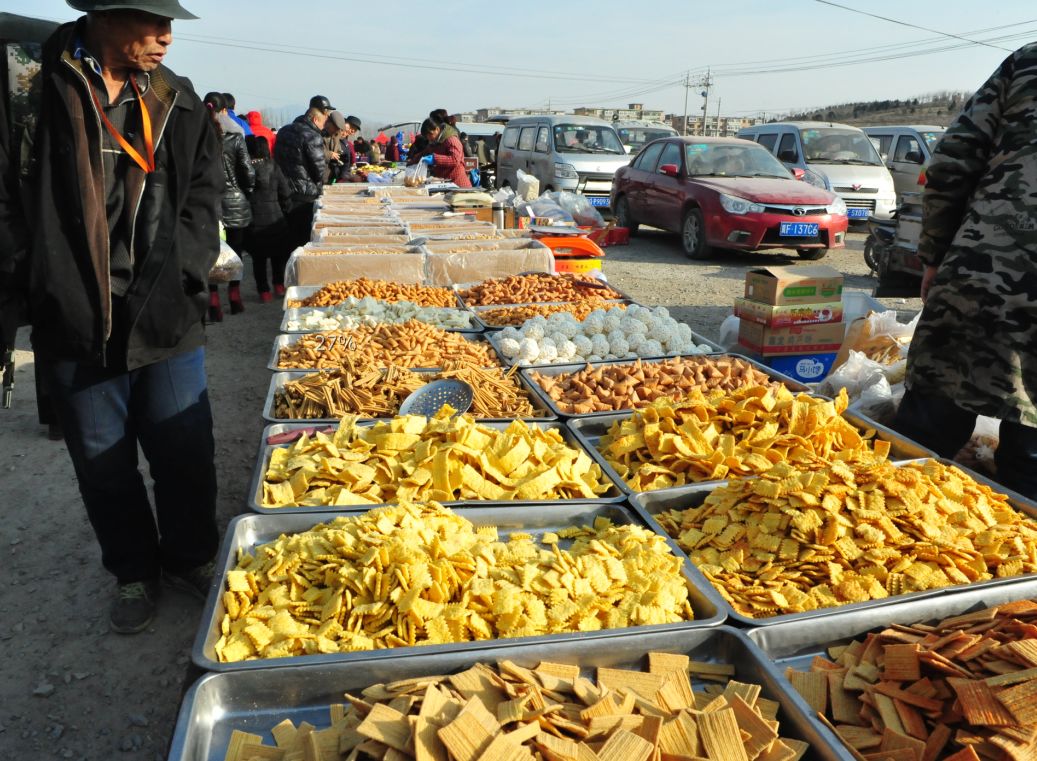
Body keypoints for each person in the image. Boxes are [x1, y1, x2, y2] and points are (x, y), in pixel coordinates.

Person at [0, 0, 223, 634]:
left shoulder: (176, 97)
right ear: (104, 15)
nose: (166, 37)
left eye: (170, 23)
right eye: (153, 21)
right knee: (102, 462)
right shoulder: (30, 87)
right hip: (75, 313)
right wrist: (38, 278)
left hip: (163, 308)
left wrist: (186, 269)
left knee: (185, 449)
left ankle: (190, 556)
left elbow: (203, 191)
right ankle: (133, 571)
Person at [891, 42, 1037, 501]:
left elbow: (953, 157)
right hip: (986, 274)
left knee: (916, 456)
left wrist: (935, 255)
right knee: (1030, 480)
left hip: (979, 274)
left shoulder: (1028, 61)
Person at [203, 91, 254, 320]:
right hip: (235, 201)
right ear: (225, 110)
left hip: (208, 202)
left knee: (211, 252)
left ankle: (213, 300)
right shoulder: (236, 136)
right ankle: (234, 296)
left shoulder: (199, 134)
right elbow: (247, 171)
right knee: (236, 250)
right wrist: (246, 191)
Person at [274, 97, 330, 248]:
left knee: (286, 238)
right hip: (305, 195)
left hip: (283, 191)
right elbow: (319, 171)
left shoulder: (284, 131)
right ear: (315, 119)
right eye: (323, 121)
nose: (323, 126)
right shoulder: (312, 136)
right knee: (302, 240)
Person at [245, 135, 291, 301]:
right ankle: (279, 285)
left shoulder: (246, 169)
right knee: (278, 256)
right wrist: (286, 210)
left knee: (259, 260)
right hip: (275, 218)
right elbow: (285, 192)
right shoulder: (274, 167)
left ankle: (263, 291)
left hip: (254, 220)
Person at [415, 118, 471, 188]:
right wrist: (413, 161)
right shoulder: (435, 142)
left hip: (457, 184)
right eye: (427, 136)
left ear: (437, 129)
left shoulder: (451, 140)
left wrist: (435, 159)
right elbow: (425, 153)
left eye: (430, 134)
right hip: (444, 183)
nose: (429, 138)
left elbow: (455, 159)